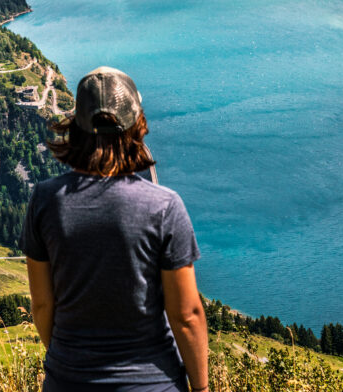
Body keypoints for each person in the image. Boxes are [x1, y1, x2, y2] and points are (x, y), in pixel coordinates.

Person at [22, 66, 208, 392]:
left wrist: (69, 360)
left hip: (68, 381)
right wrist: (203, 388)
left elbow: (41, 305)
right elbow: (186, 315)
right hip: (153, 383)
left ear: (76, 126)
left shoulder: (45, 201)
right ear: (138, 126)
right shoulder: (164, 207)